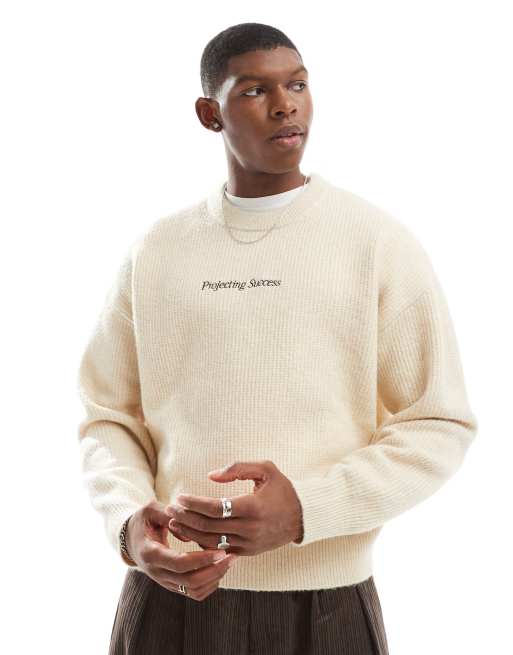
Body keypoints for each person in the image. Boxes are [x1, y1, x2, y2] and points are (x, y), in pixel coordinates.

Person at [76, 21, 478, 655]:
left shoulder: (375, 243)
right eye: (254, 90)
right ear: (210, 114)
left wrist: (307, 510)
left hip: (327, 607)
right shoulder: (156, 252)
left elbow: (439, 423)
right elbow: (108, 417)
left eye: (297, 85)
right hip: (169, 602)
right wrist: (129, 525)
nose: (285, 104)